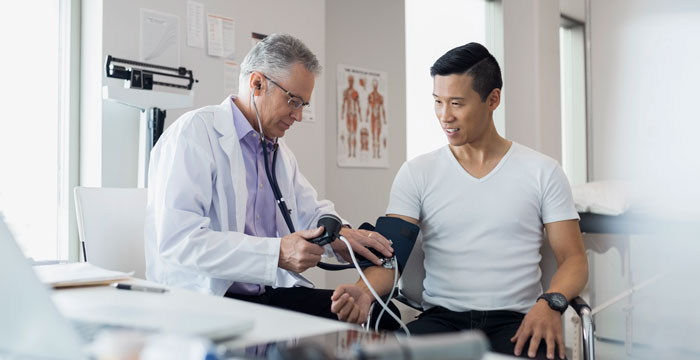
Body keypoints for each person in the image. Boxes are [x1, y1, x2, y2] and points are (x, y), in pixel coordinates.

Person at [330, 43, 588, 360]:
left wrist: (551, 303)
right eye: (437, 102)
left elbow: (574, 260)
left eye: (456, 103)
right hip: (442, 319)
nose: (444, 116)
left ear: (493, 99)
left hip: (516, 322)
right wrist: (364, 290)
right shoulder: (417, 173)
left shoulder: (542, 171)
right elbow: (391, 256)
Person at [144, 33, 394, 322]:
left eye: (304, 105)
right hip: (206, 300)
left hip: (263, 296)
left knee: (378, 317)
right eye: (293, 101)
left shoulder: (277, 150)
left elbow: (309, 210)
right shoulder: (194, 135)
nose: (298, 116)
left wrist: (339, 235)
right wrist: (275, 253)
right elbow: (179, 242)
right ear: (257, 83)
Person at [341, 75, 362, 158]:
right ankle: (350, 152)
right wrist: (342, 114)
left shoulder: (355, 93)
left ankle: (354, 153)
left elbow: (358, 104)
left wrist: (360, 116)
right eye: (349, 81)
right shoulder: (346, 92)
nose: (351, 82)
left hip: (354, 115)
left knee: (354, 134)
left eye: (352, 81)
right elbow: (343, 104)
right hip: (349, 115)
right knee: (350, 134)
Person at [365, 79, 386, 159]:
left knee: (378, 136)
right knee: (374, 136)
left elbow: (383, 108)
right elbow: (368, 107)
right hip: (373, 118)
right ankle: (374, 154)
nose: (375, 86)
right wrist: (366, 117)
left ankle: (378, 154)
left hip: (378, 119)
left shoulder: (380, 97)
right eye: (373, 85)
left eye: (375, 85)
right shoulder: (370, 96)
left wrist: (384, 119)